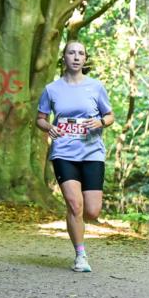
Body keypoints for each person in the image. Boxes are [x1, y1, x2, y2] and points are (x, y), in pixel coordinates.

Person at [36, 41, 115, 273]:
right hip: (64, 152)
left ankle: (75, 218)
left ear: (85, 59)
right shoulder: (52, 89)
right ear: (64, 57)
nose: (76, 57)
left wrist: (100, 122)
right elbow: (40, 118)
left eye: (81, 53)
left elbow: (109, 116)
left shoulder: (96, 87)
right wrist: (48, 127)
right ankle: (80, 255)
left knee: (92, 211)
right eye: (72, 52)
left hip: (92, 151)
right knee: (74, 203)